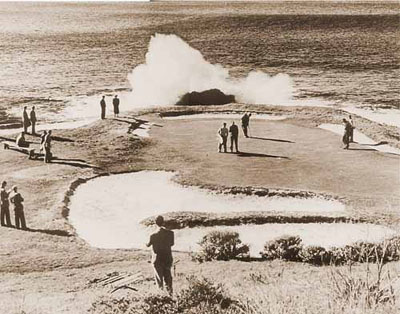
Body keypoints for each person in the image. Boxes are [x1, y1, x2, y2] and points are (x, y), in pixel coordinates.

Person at [146, 215, 174, 294]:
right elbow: (172, 244)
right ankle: (170, 295)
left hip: (157, 259)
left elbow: (148, 244)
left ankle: (161, 297)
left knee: (159, 280)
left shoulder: (153, 235)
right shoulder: (171, 233)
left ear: (155, 223)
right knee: (168, 278)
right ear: (163, 222)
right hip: (167, 259)